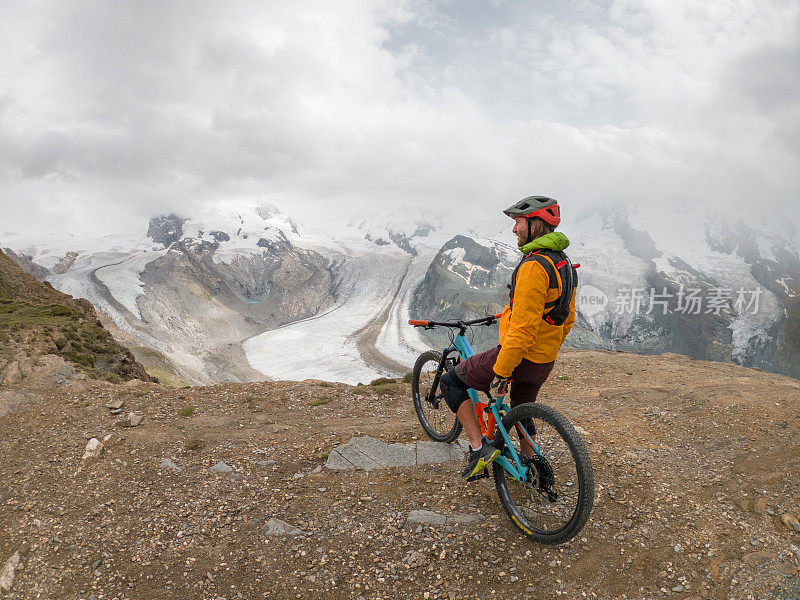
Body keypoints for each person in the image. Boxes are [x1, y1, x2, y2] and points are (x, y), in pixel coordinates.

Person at [438, 196, 577, 480]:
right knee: (521, 408)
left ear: (535, 224)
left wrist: (502, 371)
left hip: (519, 357)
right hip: (544, 360)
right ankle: (534, 464)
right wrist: (547, 347)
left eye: (518, 222)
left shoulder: (534, 267)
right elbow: (567, 317)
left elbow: (523, 330)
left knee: (450, 381)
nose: (514, 230)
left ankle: (478, 448)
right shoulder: (563, 262)